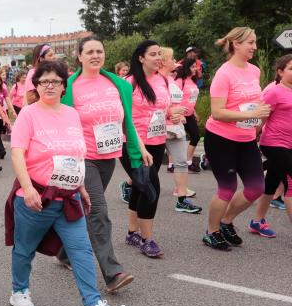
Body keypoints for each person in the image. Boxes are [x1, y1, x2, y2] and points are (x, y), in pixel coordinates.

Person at [8, 60, 128, 306]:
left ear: (64, 86)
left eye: (56, 81)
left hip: (69, 196)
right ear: (36, 86)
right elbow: (17, 152)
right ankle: (19, 291)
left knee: (81, 250)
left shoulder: (72, 114)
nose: (50, 86)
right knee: (24, 249)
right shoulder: (28, 114)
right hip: (37, 196)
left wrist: (82, 187)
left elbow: (76, 155)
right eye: (44, 81)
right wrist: (27, 188)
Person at [58, 36, 145, 291]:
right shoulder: (71, 87)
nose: (96, 55)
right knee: (99, 211)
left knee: (88, 208)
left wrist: (139, 148)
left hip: (109, 156)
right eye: (90, 52)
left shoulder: (115, 84)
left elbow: (126, 118)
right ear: (80, 56)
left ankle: (63, 251)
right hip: (83, 157)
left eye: (99, 51)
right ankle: (112, 272)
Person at [202, 27, 269, 250]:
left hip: (247, 138)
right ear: (236, 44)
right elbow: (218, 112)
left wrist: (259, 118)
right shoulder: (224, 73)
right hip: (221, 138)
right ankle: (211, 232)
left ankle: (226, 221)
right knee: (227, 188)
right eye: (250, 42)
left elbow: (254, 101)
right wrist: (251, 115)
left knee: (255, 187)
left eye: (255, 42)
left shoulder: (254, 71)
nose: (254, 47)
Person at [120, 40, 176, 257]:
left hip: (157, 141)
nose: (158, 58)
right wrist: (138, 143)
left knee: (140, 187)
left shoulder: (163, 79)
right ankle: (147, 239)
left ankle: (132, 232)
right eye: (153, 54)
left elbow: (163, 109)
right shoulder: (129, 83)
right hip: (133, 145)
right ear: (141, 58)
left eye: (160, 54)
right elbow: (123, 117)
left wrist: (173, 114)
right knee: (151, 188)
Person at [247, 54, 292, 237]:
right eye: (291, 68)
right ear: (280, 72)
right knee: (290, 181)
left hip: (289, 145)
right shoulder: (274, 91)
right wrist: (249, 141)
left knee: (272, 182)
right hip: (274, 143)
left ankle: (257, 221)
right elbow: (260, 119)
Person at [160, 48, 202, 214]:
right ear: (162, 61)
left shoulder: (172, 80)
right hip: (158, 129)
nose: (175, 61)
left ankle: (182, 199)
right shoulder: (153, 81)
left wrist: (180, 114)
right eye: (172, 58)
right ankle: (130, 186)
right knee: (147, 166)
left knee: (181, 161)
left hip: (176, 127)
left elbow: (176, 102)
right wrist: (170, 114)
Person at [174, 58, 202, 173]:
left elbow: (191, 99)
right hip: (180, 116)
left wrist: (194, 111)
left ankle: (188, 161)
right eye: (192, 66)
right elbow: (174, 98)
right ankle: (177, 164)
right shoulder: (180, 80)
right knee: (178, 139)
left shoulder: (193, 81)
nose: (195, 68)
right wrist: (179, 114)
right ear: (186, 67)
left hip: (189, 114)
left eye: (196, 66)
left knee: (196, 136)